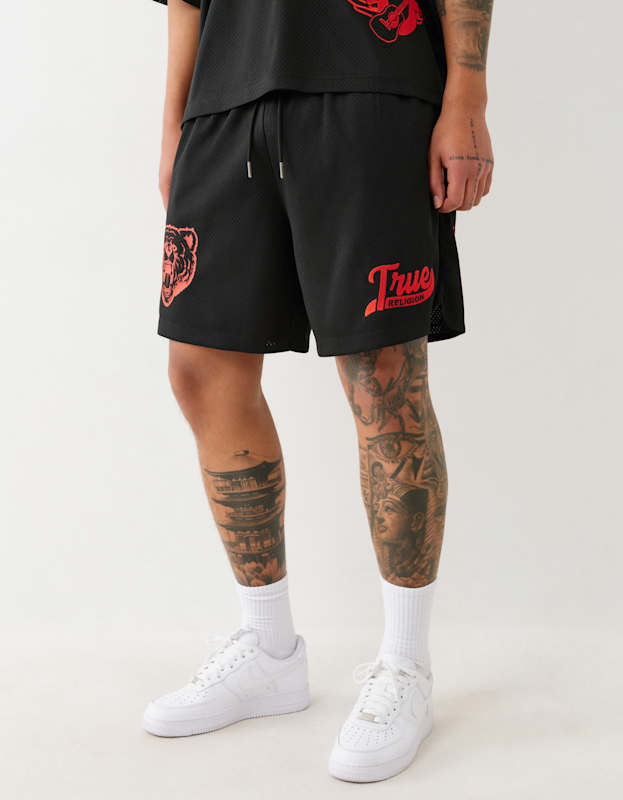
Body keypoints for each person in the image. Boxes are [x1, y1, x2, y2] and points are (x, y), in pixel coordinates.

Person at [144, 0, 494, 783]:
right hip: (224, 101)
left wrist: (466, 94)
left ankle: (405, 664)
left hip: (372, 88)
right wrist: (174, 123)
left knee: (383, 379)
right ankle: (270, 650)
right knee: (200, 368)